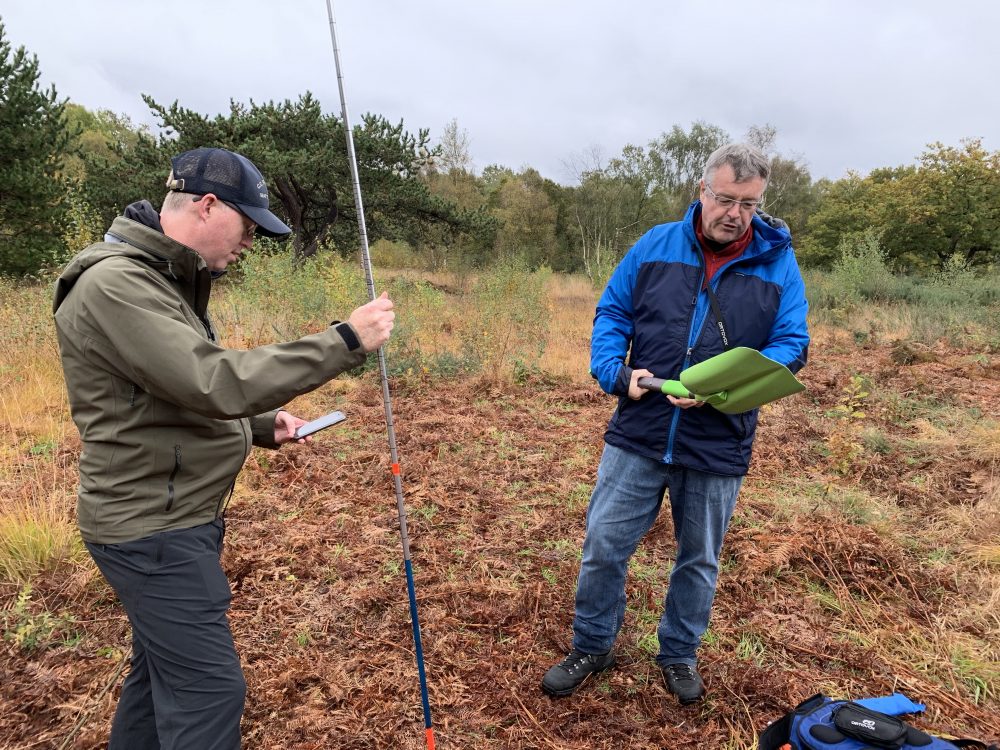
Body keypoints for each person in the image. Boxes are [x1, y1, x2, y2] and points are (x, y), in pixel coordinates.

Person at [52, 147, 395, 749]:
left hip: (168, 518)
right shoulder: (117, 284)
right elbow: (212, 380)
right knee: (209, 692)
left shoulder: (155, 278)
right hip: (152, 530)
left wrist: (262, 425)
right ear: (208, 206)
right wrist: (345, 339)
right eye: (251, 226)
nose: (251, 244)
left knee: (160, 675)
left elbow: (168, 393)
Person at [541, 143, 809, 705]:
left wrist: (725, 389)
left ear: (760, 203)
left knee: (699, 558)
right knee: (603, 545)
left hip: (718, 440)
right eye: (725, 198)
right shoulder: (655, 244)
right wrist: (616, 373)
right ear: (702, 191)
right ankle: (593, 645)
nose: (734, 213)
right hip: (639, 428)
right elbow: (613, 312)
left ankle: (679, 654)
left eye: (748, 204)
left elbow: (792, 343)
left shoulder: (778, 263)